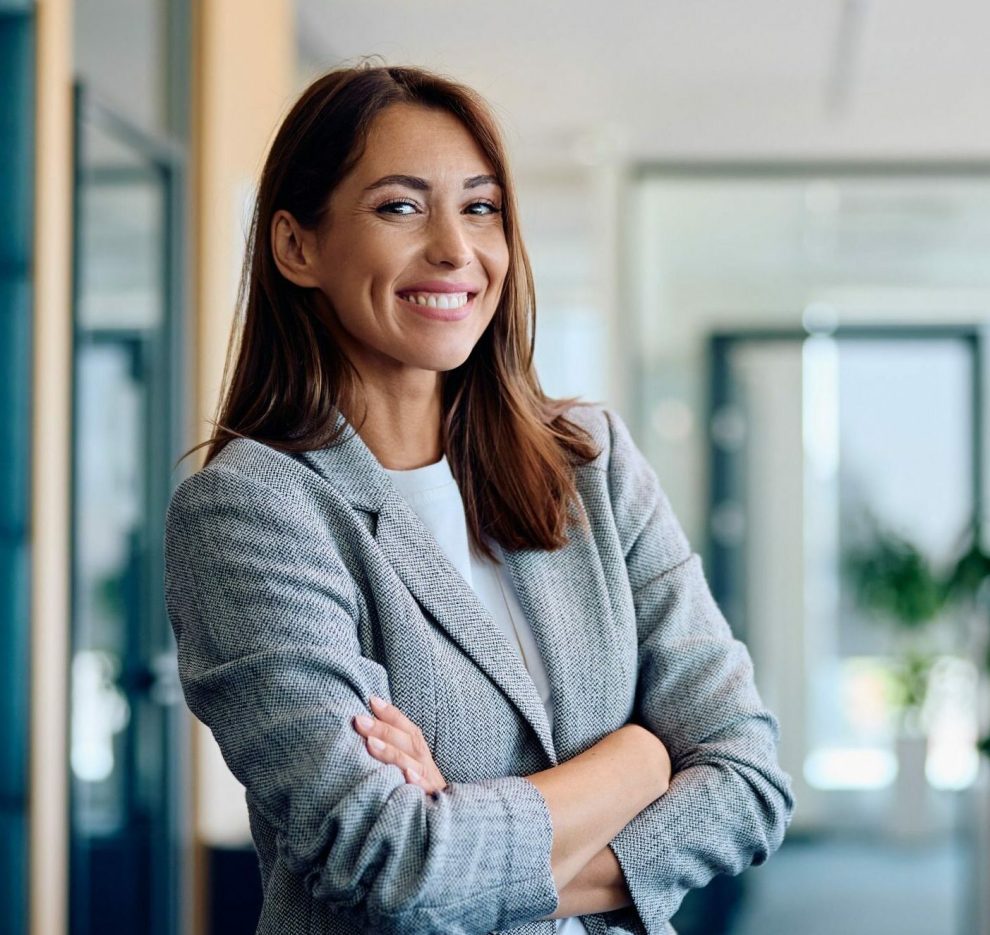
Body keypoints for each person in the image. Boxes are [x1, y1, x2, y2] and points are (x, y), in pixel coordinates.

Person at [164, 64, 794, 935]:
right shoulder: (250, 512)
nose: (456, 249)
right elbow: (392, 863)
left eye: (481, 206)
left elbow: (749, 776)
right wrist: (642, 758)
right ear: (296, 247)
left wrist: (462, 831)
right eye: (400, 206)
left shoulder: (592, 464)